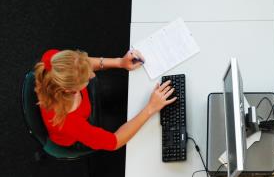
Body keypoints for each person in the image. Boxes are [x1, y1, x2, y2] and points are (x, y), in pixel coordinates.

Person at [34, 49, 176, 151]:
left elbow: (83, 63)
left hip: (81, 106)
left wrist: (120, 62)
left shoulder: (53, 59)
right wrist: (151, 108)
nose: (92, 74)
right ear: (69, 90)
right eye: (86, 78)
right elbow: (115, 141)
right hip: (76, 135)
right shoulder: (69, 122)